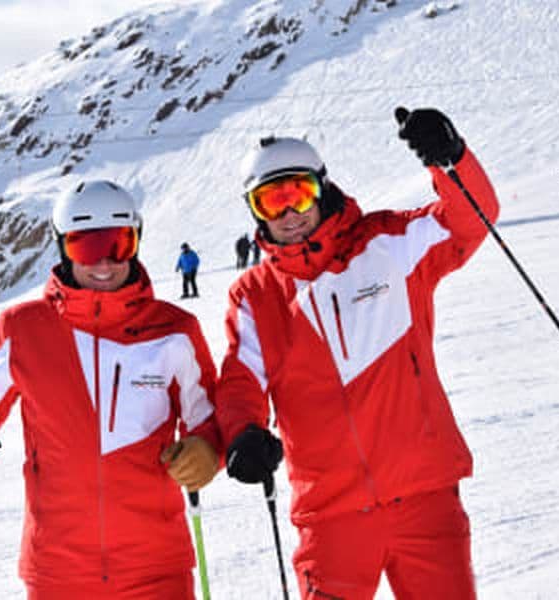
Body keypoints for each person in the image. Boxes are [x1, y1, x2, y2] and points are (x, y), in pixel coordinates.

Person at [0, 180, 222, 599]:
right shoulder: (22, 330)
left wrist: (207, 449)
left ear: (136, 242)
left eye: (118, 244)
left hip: (156, 571)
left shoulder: (174, 331)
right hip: (57, 574)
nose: (104, 262)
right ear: (62, 248)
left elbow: (212, 420)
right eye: (85, 247)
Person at [216, 107, 499, 600]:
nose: (289, 213)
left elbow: (470, 220)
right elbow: (242, 379)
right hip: (331, 513)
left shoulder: (387, 245)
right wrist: (243, 431)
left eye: (298, 193)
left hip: (424, 494)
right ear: (254, 210)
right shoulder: (256, 294)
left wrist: (450, 160)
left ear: (322, 188)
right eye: (270, 201)